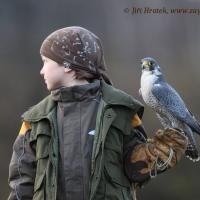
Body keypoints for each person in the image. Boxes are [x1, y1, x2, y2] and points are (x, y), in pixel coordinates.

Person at [8, 26, 188, 200]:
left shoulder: (121, 110)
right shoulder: (35, 120)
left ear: (67, 65)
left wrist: (158, 153)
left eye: (46, 62)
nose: (41, 70)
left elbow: (136, 170)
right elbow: (21, 183)